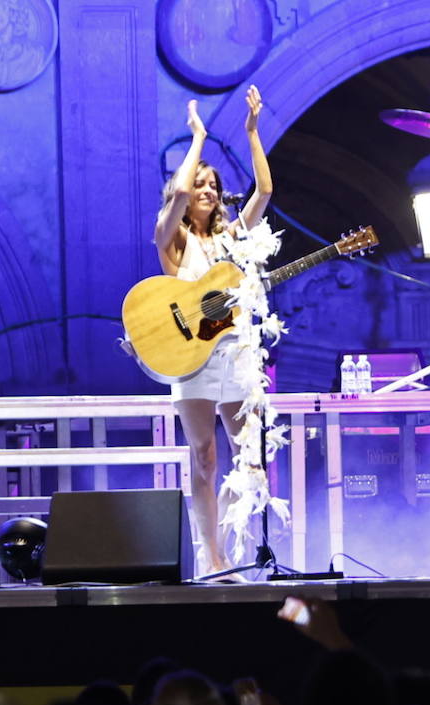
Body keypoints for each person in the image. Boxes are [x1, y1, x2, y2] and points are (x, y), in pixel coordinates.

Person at [152, 85, 273, 576]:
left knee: (251, 455)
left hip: (234, 355)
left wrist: (251, 131)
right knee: (204, 456)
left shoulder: (229, 239)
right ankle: (212, 553)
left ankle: (222, 533)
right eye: (200, 184)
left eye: (212, 186)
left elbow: (265, 192)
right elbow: (179, 192)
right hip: (190, 356)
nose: (205, 191)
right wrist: (198, 137)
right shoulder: (172, 240)